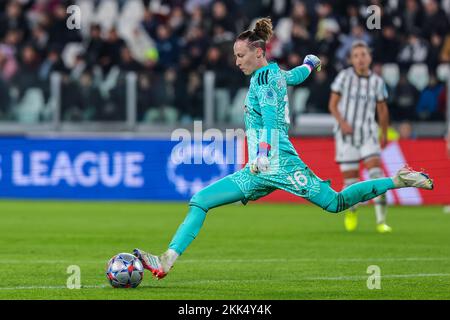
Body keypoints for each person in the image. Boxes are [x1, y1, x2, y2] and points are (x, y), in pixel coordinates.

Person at [133, 18, 434, 280]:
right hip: (257, 170)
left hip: (279, 164)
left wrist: (262, 155)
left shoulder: (263, 81)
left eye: (240, 56)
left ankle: (399, 180)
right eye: (235, 56)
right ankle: (167, 260)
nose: (237, 61)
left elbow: (272, 125)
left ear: (258, 53)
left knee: (336, 203)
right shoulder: (275, 73)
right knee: (200, 200)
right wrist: (310, 65)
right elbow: (295, 76)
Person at [329, 41, 393, 233]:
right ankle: (352, 211)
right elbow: (333, 104)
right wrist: (343, 122)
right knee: (351, 182)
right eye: (356, 55)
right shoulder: (344, 77)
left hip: (368, 134)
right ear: (351, 59)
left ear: (370, 58)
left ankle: (381, 221)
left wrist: (384, 131)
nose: (360, 59)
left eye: (363, 55)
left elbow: (382, 109)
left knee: (376, 175)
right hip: (345, 135)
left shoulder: (377, 82)